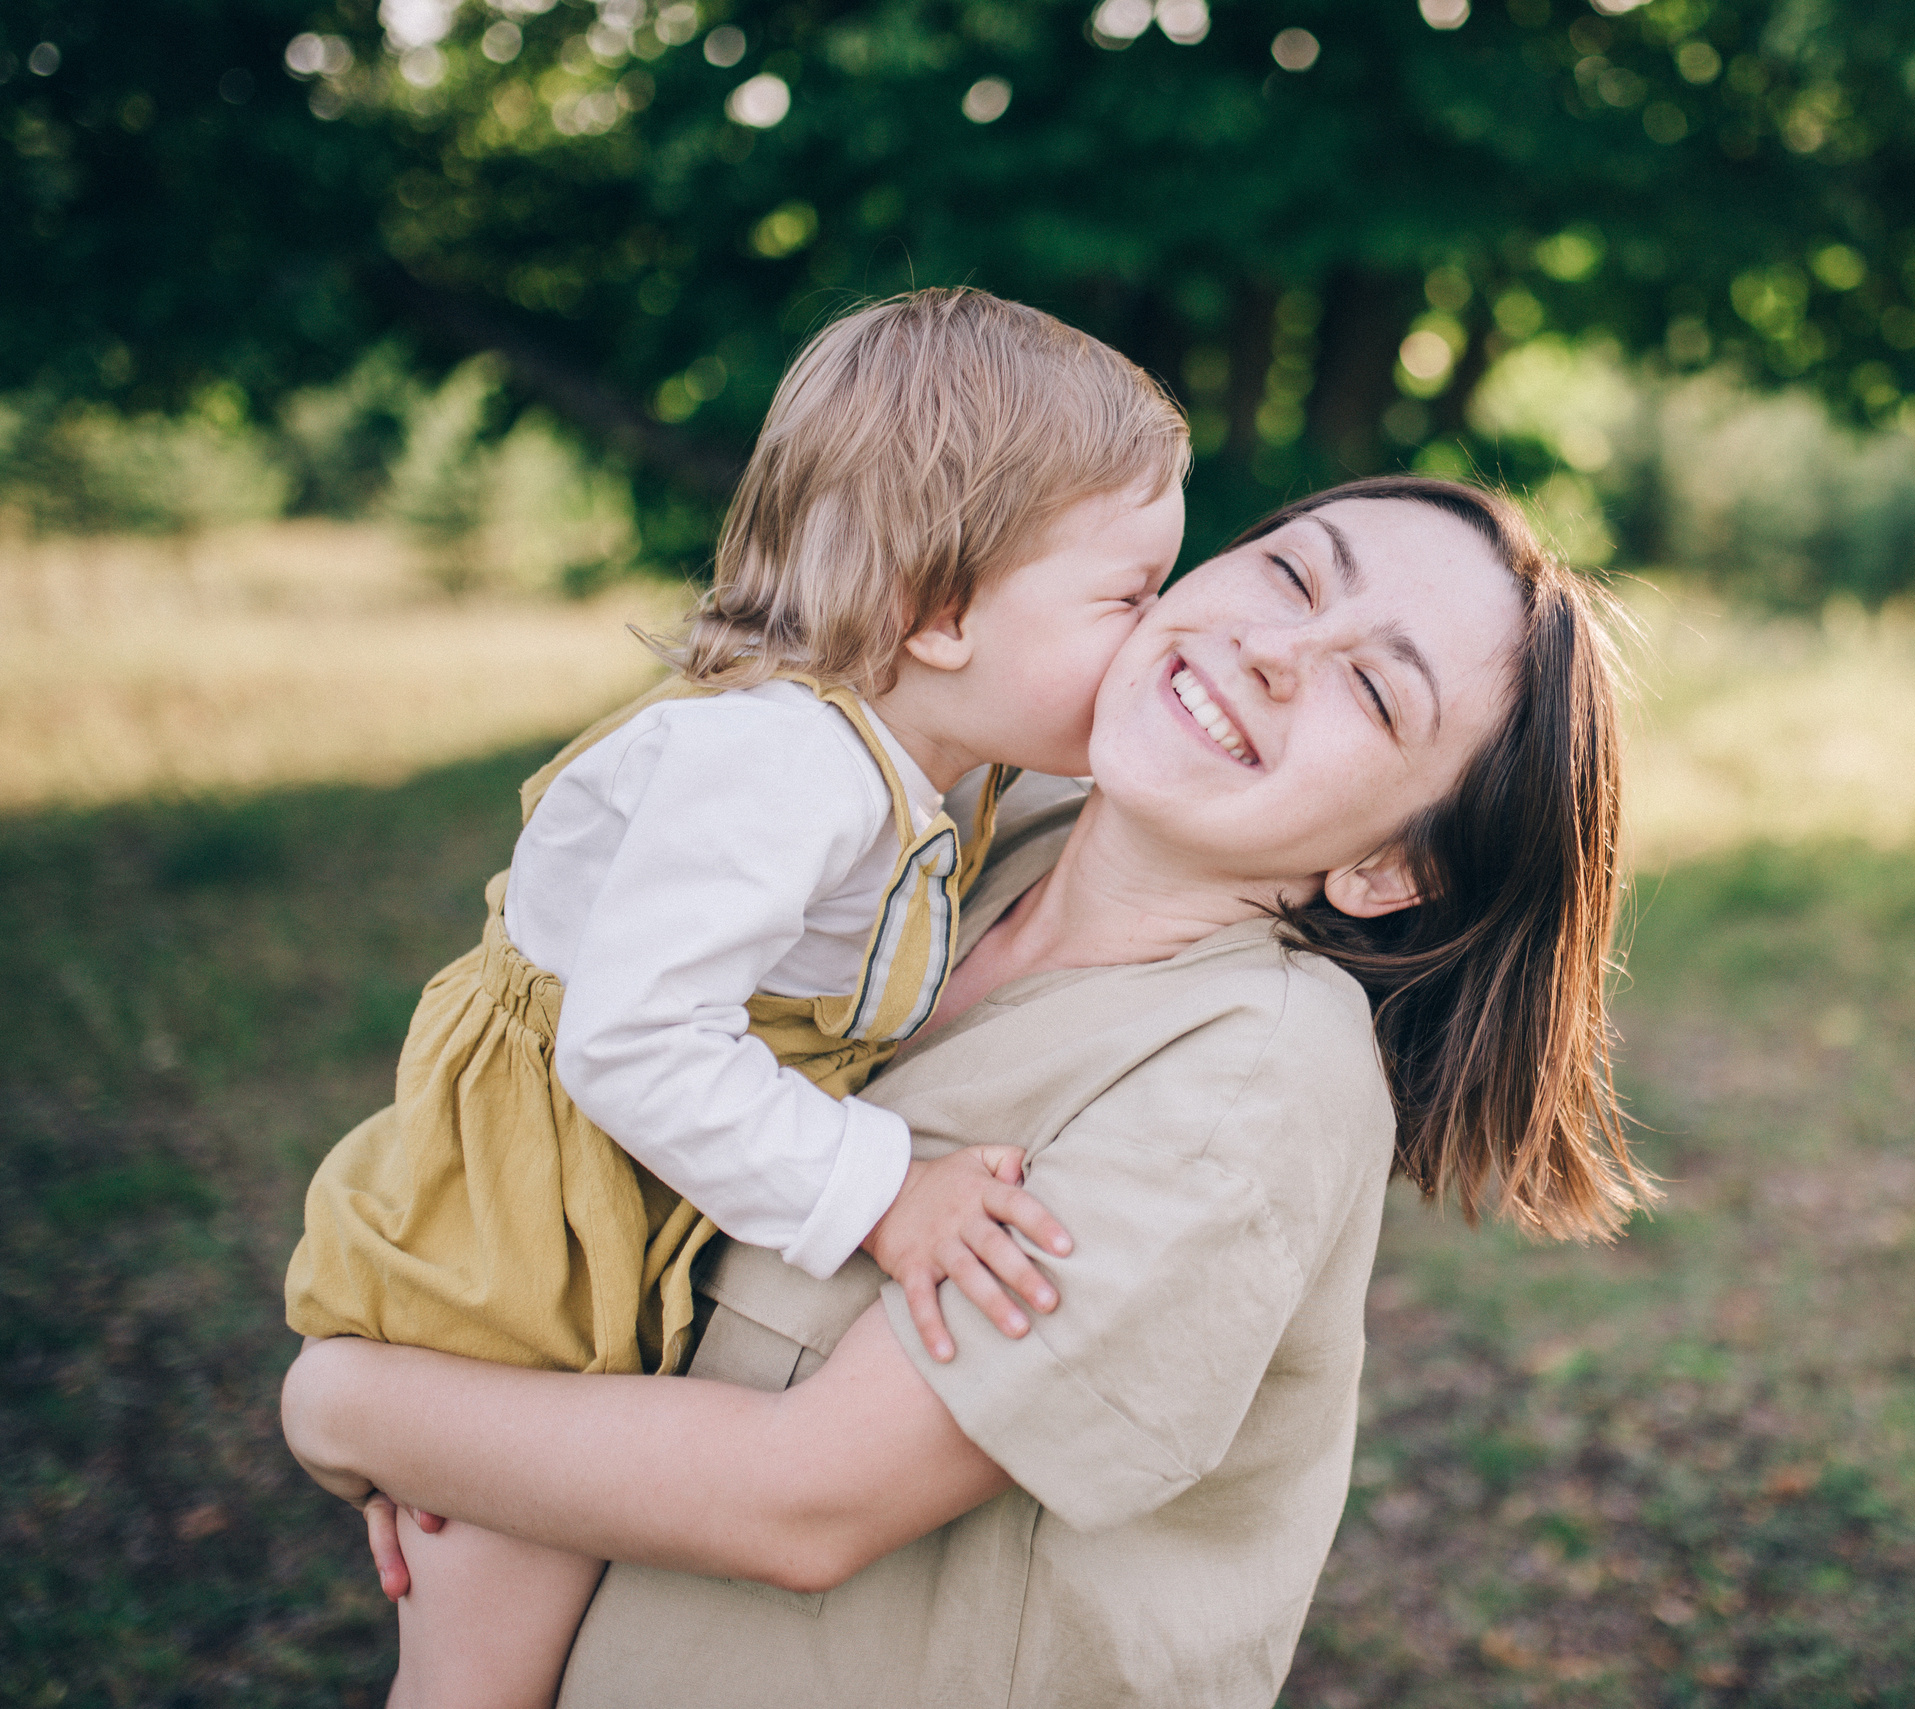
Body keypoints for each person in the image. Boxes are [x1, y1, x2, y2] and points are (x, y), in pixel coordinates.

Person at [283, 475, 1651, 1709]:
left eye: (1375, 691)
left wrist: (354, 1406)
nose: (1278, 652)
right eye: (1293, 573)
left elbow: (806, 1501)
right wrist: (492, 1449)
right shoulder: (956, 826)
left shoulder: (1256, 1075)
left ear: (1388, 872)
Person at [279, 288, 1190, 1705]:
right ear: (940, 613)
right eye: (1129, 597)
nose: (1156, 635)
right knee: (486, 1674)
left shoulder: (936, 747)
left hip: (618, 1214)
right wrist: (888, 1192)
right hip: (522, 1250)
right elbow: (633, 1040)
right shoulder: (781, 767)